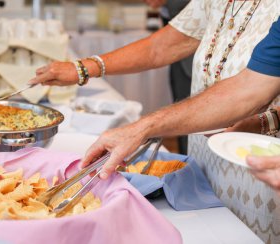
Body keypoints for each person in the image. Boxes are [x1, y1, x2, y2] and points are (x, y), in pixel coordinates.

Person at [30, 0, 280, 242]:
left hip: (260, 167)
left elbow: (249, 89)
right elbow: (162, 46)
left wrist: (270, 119)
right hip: (205, 156)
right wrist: (84, 68)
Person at [145, 0, 193, 154]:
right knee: (180, 105)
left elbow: (155, 52)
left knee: (189, 116)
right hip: (177, 45)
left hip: (193, 48)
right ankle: (185, 159)